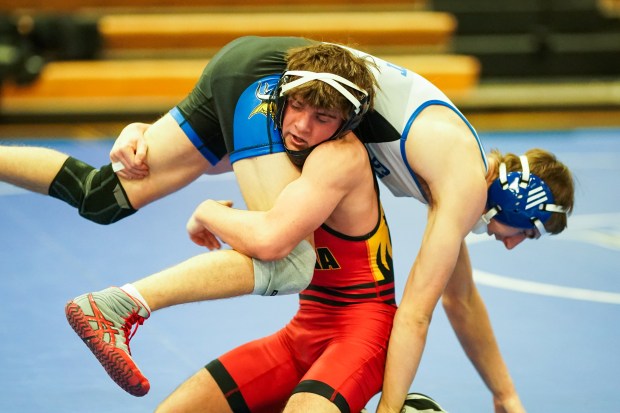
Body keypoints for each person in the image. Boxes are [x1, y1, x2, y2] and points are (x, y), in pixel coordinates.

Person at [0, 36, 576, 412]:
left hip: (253, 71)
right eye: (526, 232)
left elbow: (461, 299)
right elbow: (421, 311)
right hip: (279, 80)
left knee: (104, 194)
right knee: (289, 253)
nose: (513, 243)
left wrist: (505, 397)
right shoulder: (460, 179)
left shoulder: (450, 171)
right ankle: (121, 304)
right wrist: (392, 408)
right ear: (521, 204)